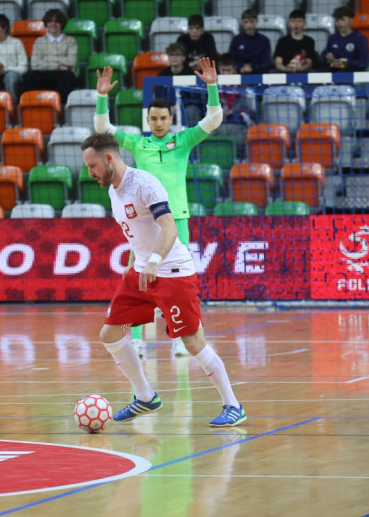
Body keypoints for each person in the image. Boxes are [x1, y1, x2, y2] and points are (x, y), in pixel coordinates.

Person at [79, 131, 246, 428]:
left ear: (108, 158)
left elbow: (169, 229)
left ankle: (233, 405)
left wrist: (154, 261)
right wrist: (139, 265)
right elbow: (138, 236)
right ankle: (145, 396)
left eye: (92, 166)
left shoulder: (144, 184)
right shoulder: (112, 191)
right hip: (141, 273)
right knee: (110, 334)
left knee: (193, 343)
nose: (89, 173)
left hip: (172, 273)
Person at [95, 57, 221, 357]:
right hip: (143, 222)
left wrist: (213, 88)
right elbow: (103, 129)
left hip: (175, 221)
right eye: (154, 119)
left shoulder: (184, 140)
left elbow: (213, 119)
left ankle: (181, 337)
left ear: (170, 117)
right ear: (147, 120)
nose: (159, 123)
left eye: (163, 118)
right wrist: (102, 98)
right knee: (137, 280)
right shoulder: (139, 144)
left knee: (180, 283)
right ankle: (135, 339)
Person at [21, 8, 78, 104]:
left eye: (57, 21)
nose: (53, 24)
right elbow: (35, 64)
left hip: (62, 75)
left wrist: (47, 59)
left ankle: (62, 107)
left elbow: (71, 62)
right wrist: (58, 65)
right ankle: (35, 104)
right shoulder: (39, 41)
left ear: (62, 24)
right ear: (46, 24)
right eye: (50, 21)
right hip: (44, 73)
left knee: (69, 76)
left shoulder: (71, 41)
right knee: (29, 76)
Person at [322, 5, 369, 71]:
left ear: (351, 20)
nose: (339, 23)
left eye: (342, 19)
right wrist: (327, 57)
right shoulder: (332, 39)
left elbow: (364, 62)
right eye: (337, 20)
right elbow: (321, 60)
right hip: (336, 76)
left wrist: (341, 63)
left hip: (355, 76)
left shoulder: (359, 38)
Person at [228, 9, 273, 74]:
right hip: (239, 74)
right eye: (246, 22)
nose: (249, 25)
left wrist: (252, 68)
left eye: (251, 22)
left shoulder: (264, 40)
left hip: (259, 75)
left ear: (256, 21)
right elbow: (231, 60)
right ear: (242, 22)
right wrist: (240, 68)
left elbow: (266, 62)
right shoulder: (236, 40)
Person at [273, 8, 317, 73]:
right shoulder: (282, 41)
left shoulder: (309, 41)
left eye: (299, 21)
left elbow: (309, 63)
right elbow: (278, 63)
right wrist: (286, 69)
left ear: (304, 24)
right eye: (293, 21)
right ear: (289, 24)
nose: (296, 24)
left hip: (303, 72)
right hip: (286, 72)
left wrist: (301, 68)